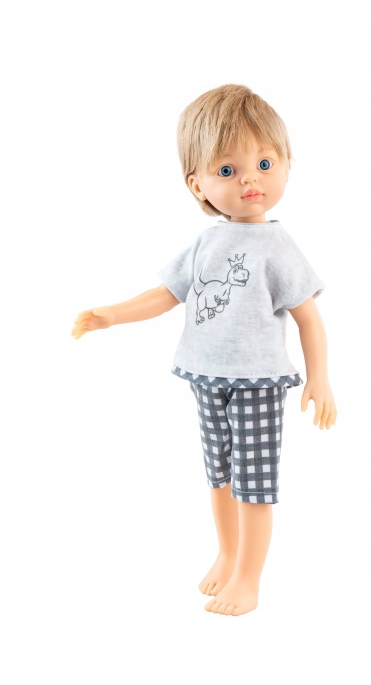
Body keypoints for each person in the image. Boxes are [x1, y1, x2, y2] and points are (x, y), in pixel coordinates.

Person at [71, 84, 337, 616]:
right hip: (205, 376)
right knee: (220, 473)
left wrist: (320, 378)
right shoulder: (206, 243)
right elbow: (167, 294)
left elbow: (308, 317)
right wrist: (111, 315)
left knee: (254, 483)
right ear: (197, 183)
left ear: (287, 164)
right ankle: (227, 554)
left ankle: (248, 579)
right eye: (228, 170)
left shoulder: (278, 247)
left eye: (264, 164)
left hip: (258, 381)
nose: (250, 180)